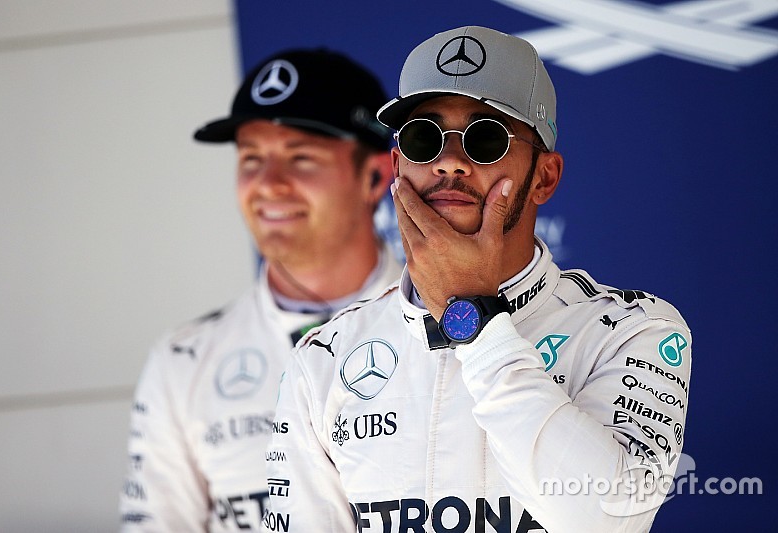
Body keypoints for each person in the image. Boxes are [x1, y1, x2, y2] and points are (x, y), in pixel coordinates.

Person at [265, 26, 692, 532]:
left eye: (486, 138)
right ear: (398, 166)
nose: (449, 162)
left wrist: (474, 318)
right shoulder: (325, 356)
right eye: (423, 138)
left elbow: (606, 519)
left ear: (545, 177)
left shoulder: (630, 331)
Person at [119, 48, 403, 531]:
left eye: (301, 158)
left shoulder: (456, 332)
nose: (269, 184)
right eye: (251, 158)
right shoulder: (183, 360)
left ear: (375, 176)